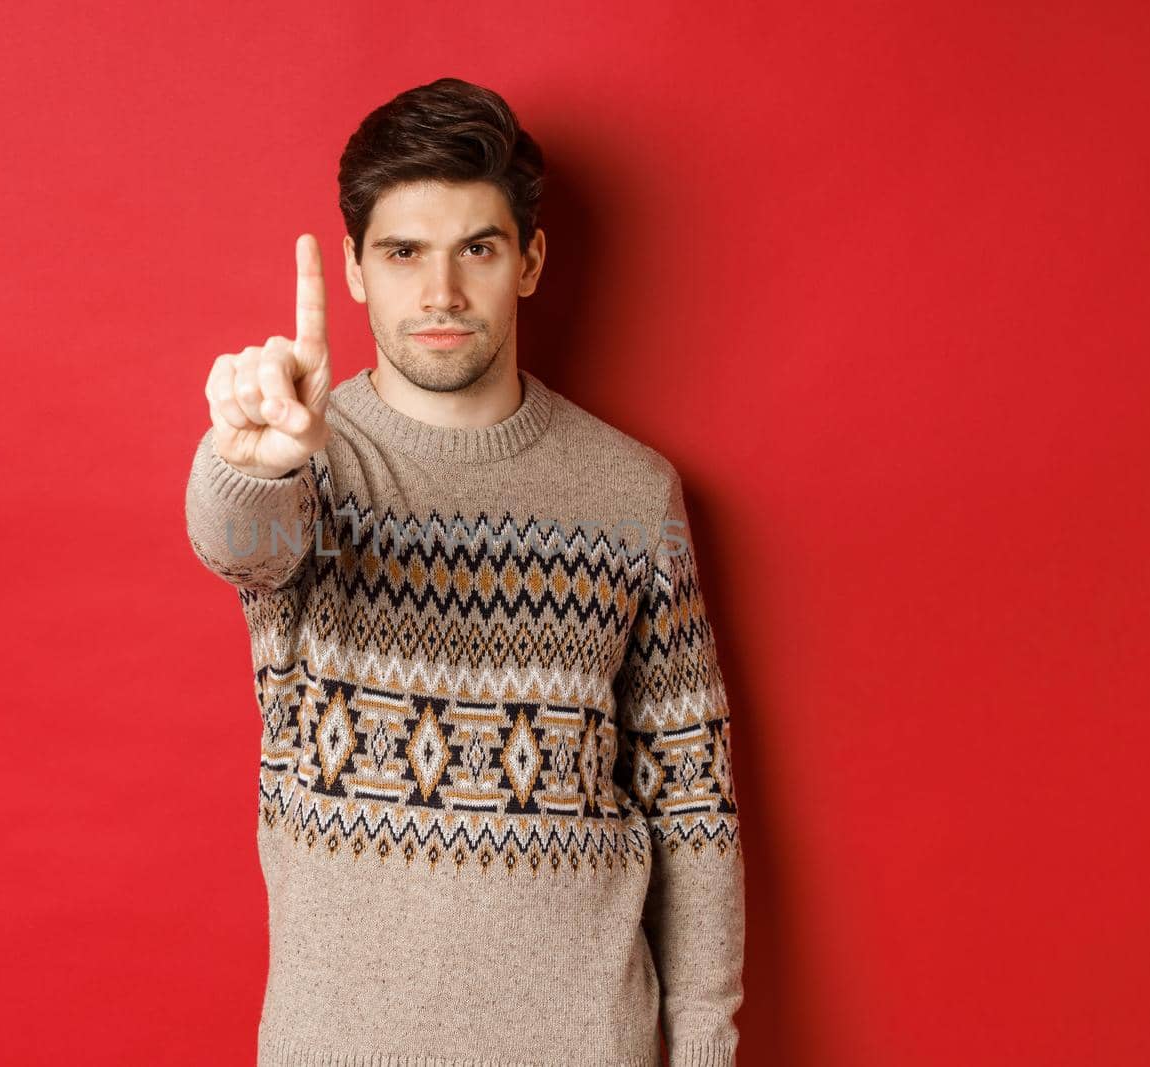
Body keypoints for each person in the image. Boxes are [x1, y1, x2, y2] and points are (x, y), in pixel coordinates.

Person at [186, 76, 744, 1067]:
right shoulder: (306, 466)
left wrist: (702, 1048)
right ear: (356, 269)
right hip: (337, 1045)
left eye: (475, 249)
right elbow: (238, 540)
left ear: (527, 260)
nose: (439, 294)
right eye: (403, 253)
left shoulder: (632, 494)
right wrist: (250, 457)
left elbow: (692, 801)